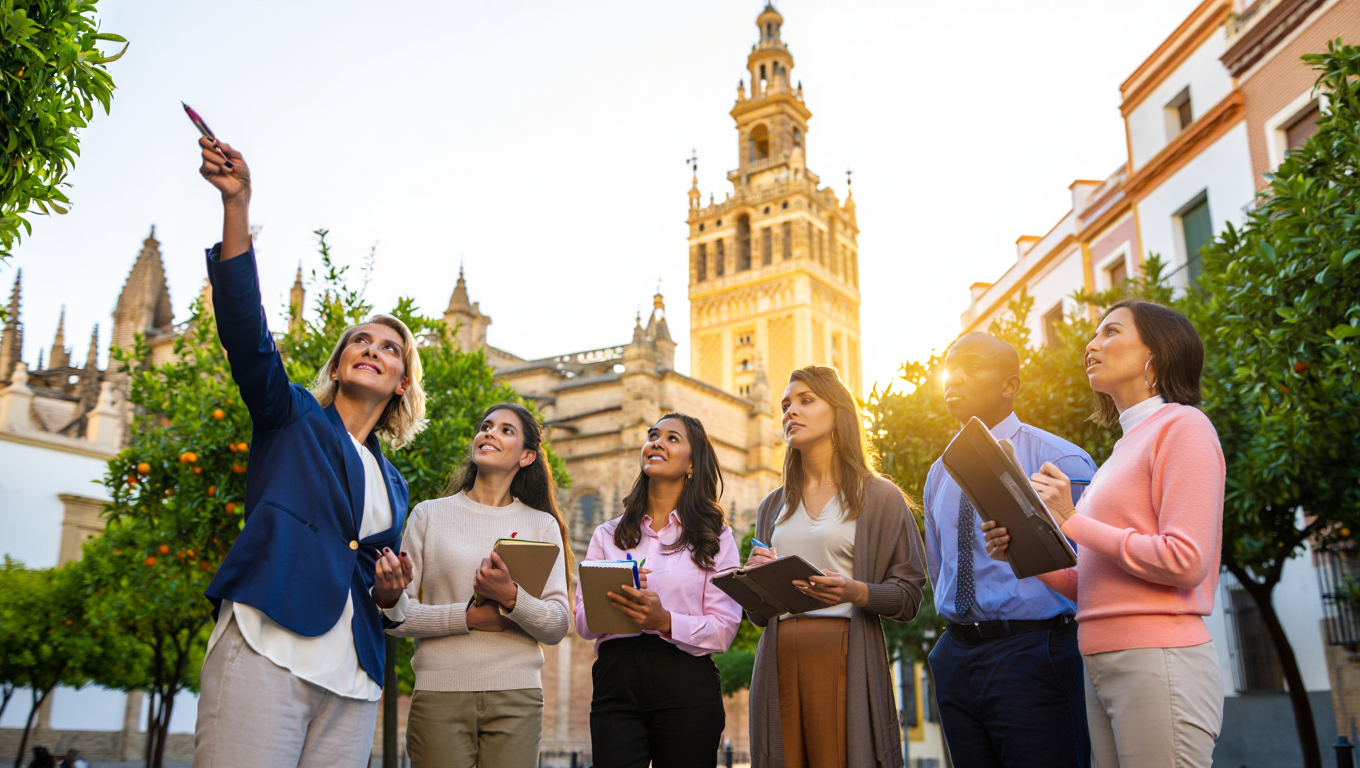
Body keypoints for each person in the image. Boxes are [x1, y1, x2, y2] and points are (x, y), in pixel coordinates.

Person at [193, 136, 424, 767]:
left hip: (354, 676)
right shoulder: (291, 416)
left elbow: (372, 577)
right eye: (360, 341)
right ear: (339, 363)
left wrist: (389, 591)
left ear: (402, 383)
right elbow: (246, 332)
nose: (372, 348)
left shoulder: (394, 483)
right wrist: (237, 204)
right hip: (267, 644)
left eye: (390, 348)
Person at [985, 299, 1226, 768]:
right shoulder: (1122, 449)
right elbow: (1093, 585)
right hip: (1100, 659)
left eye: (1111, 331)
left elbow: (1186, 560)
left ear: (1154, 353)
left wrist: (1070, 519)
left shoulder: (1184, 427)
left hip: (1157, 658)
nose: (1091, 343)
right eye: (1094, 333)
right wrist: (1022, 552)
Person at [923, 333, 1094, 767]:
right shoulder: (939, 473)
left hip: (1034, 652)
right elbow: (939, 565)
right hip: (956, 656)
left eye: (972, 366)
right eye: (951, 367)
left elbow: (1094, 574)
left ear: (1010, 385)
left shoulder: (1060, 461)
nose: (954, 377)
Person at [745, 365, 927, 768]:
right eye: (785, 405)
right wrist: (755, 580)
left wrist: (854, 591)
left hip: (844, 653)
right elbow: (758, 616)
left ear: (838, 412)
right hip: (777, 658)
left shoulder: (881, 497)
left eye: (806, 400)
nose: (791, 411)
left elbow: (909, 597)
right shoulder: (772, 505)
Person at [387, 403, 571, 767]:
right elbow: (393, 616)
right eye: (486, 426)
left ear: (527, 456)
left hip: (518, 696)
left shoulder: (542, 525)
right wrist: (468, 618)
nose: (489, 432)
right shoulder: (428, 514)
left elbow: (557, 625)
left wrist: (511, 597)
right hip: (439, 693)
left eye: (506, 430)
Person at [573, 413, 742, 768]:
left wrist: (664, 620)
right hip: (616, 679)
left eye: (672, 438)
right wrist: (614, 603)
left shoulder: (716, 537)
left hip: (686, 679)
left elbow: (724, 628)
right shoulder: (607, 534)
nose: (657, 443)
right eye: (653, 436)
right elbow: (583, 624)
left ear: (692, 465)